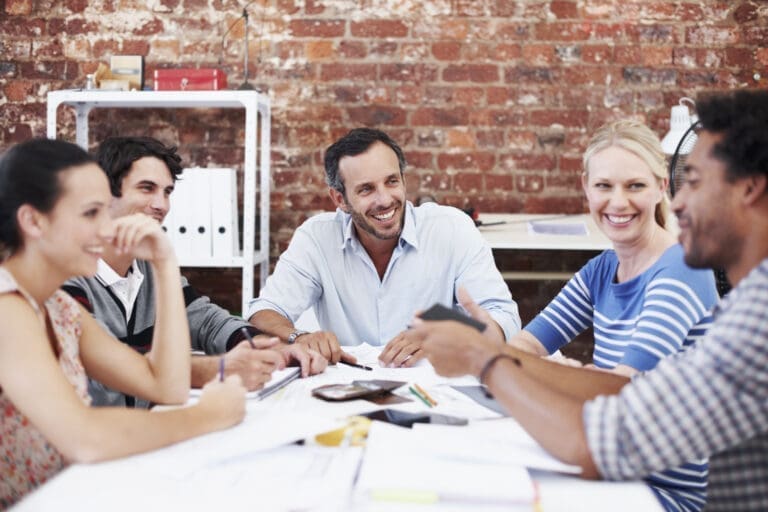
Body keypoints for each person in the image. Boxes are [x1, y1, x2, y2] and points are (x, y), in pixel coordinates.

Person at [413, 89, 768, 511]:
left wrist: (488, 359)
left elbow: (605, 430)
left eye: (692, 182)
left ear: (749, 188)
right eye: (604, 185)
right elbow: (620, 400)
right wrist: (499, 354)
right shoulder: (743, 305)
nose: (680, 201)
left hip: (660, 494)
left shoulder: (749, 317)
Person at [0, 138, 247, 507]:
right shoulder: (6, 307)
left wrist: (164, 264)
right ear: (33, 221)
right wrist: (207, 416)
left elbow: (166, 387)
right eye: (90, 214)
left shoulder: (59, 307)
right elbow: (85, 438)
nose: (107, 229)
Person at [63, 137, 325, 407]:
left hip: (152, 429)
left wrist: (271, 348)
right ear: (104, 194)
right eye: (146, 188)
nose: (161, 205)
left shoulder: (151, 266)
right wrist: (220, 370)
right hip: (102, 436)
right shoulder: (68, 274)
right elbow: (113, 362)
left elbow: (207, 321)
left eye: (167, 192)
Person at [247, 127, 520, 366]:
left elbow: (504, 318)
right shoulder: (316, 238)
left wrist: (444, 336)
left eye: (392, 181)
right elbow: (262, 314)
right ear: (340, 199)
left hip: (439, 386)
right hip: (350, 390)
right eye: (366, 189)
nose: (385, 200)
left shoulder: (452, 229)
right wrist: (300, 337)